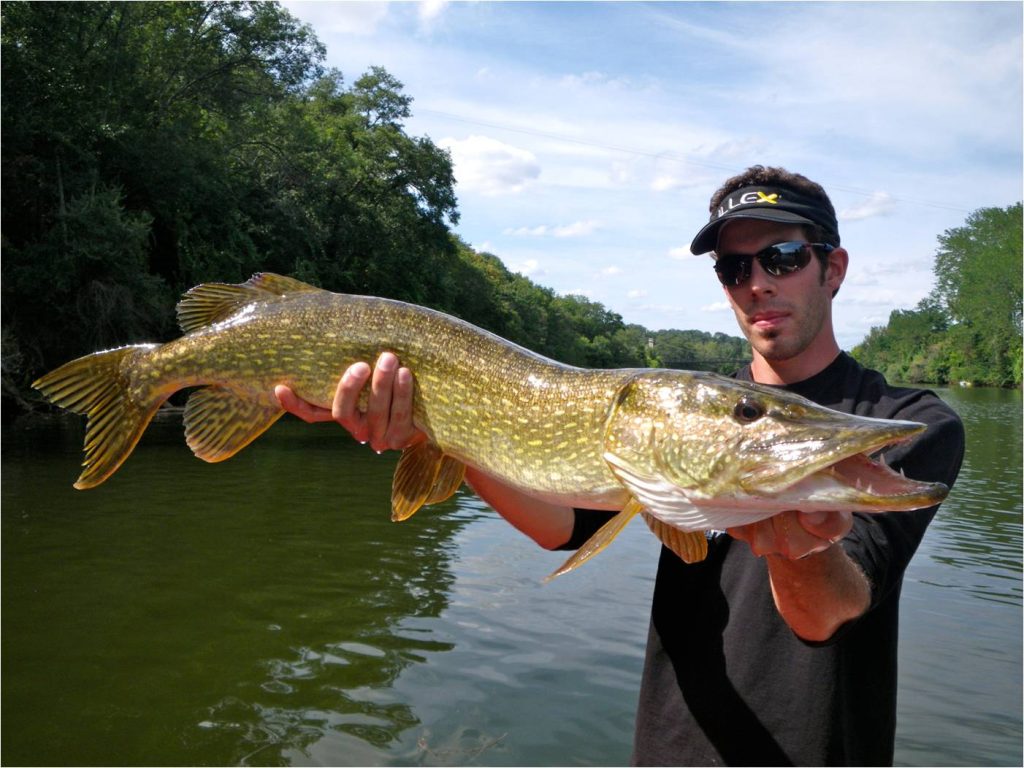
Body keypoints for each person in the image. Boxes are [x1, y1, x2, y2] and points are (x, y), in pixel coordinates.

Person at [275, 166, 964, 766]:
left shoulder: (903, 423)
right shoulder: (678, 412)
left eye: (782, 257)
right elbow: (560, 525)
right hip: (665, 748)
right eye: (735, 267)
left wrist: (798, 547)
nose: (757, 284)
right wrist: (443, 429)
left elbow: (828, 614)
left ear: (832, 268)